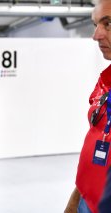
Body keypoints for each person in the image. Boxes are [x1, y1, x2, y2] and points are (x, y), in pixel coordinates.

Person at [65, 0, 111, 212]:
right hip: (86, 198)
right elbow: (95, 139)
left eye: (108, 23)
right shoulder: (104, 80)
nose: (96, 35)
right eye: (95, 25)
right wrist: (76, 198)